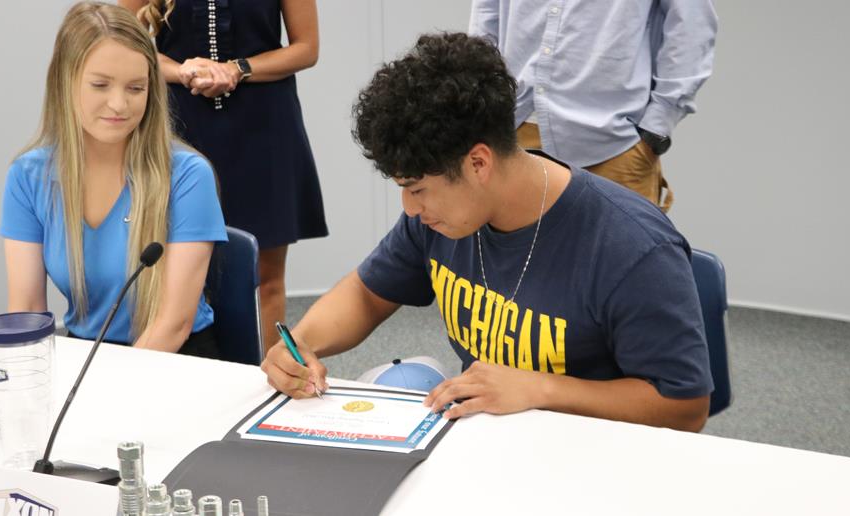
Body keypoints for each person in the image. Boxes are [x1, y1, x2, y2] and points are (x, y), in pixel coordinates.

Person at [261, 33, 714, 432]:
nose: (410, 208)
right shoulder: (443, 217)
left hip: (596, 454)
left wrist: (543, 389)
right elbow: (366, 294)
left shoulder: (631, 246)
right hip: (489, 440)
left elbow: (684, 407)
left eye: (417, 189)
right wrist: (302, 343)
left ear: (478, 163)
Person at [0, 2, 227, 357]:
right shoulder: (28, 177)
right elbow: (27, 310)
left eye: (136, 88)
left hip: (175, 359)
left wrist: (110, 395)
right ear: (64, 81)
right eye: (100, 85)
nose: (119, 104)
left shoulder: (187, 175)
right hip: (86, 358)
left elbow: (173, 323)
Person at [123, 0, 329, 347]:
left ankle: (269, 379)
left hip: (265, 125)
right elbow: (124, 45)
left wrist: (238, 69)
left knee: (266, 276)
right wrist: (183, 71)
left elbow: (306, 48)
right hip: (178, 125)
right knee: (176, 273)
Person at [469, 0, 718, 212]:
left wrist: (657, 126)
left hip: (612, 145)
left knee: (622, 264)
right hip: (512, 131)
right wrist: (482, 98)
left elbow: (692, 25)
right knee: (510, 264)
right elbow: (487, 12)